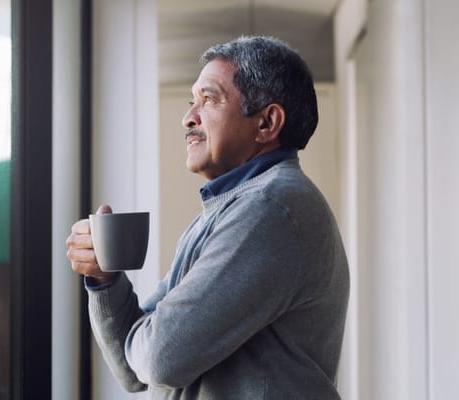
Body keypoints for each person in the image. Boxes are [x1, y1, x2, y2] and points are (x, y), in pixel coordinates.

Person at [66, 36, 349, 399]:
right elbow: (133, 371)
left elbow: (159, 361)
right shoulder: (227, 208)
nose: (188, 118)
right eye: (191, 101)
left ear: (267, 122)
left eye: (209, 99)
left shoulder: (271, 207)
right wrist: (104, 280)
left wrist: (149, 340)